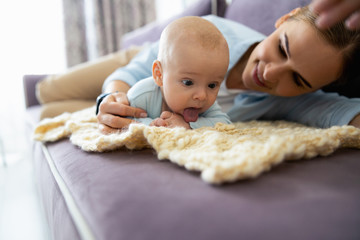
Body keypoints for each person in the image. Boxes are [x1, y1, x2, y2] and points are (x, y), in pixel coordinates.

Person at [97, 5, 360, 134]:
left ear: (312, 89)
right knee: (54, 88)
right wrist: (113, 99)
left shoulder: (290, 101)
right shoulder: (213, 32)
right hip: (145, 55)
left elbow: (344, 112)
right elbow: (130, 73)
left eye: (298, 79)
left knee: (57, 106)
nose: (270, 74)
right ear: (285, 19)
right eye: (282, 48)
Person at [125, 16, 231, 129]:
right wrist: (150, 124)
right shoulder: (141, 96)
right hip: (133, 53)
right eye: (188, 82)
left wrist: (189, 125)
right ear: (159, 75)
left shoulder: (206, 104)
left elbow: (225, 123)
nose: (202, 96)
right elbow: (123, 119)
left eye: (212, 85)